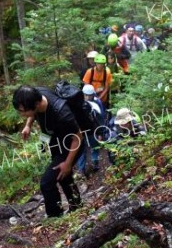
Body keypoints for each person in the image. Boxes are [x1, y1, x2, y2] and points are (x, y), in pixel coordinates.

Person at [13, 86, 83, 217]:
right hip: (56, 142)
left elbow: (78, 137)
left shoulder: (62, 113)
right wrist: (28, 125)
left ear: (36, 104)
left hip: (70, 146)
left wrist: (68, 163)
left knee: (47, 182)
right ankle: (77, 206)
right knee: (63, 177)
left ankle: (54, 216)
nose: (22, 115)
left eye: (23, 111)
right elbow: (33, 113)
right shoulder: (38, 95)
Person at [76, 85, 108, 177]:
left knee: (82, 151)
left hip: (81, 132)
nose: (87, 97)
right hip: (92, 131)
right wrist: (101, 132)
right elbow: (100, 118)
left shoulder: (77, 103)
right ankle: (95, 164)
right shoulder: (97, 102)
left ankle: (82, 170)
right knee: (94, 147)